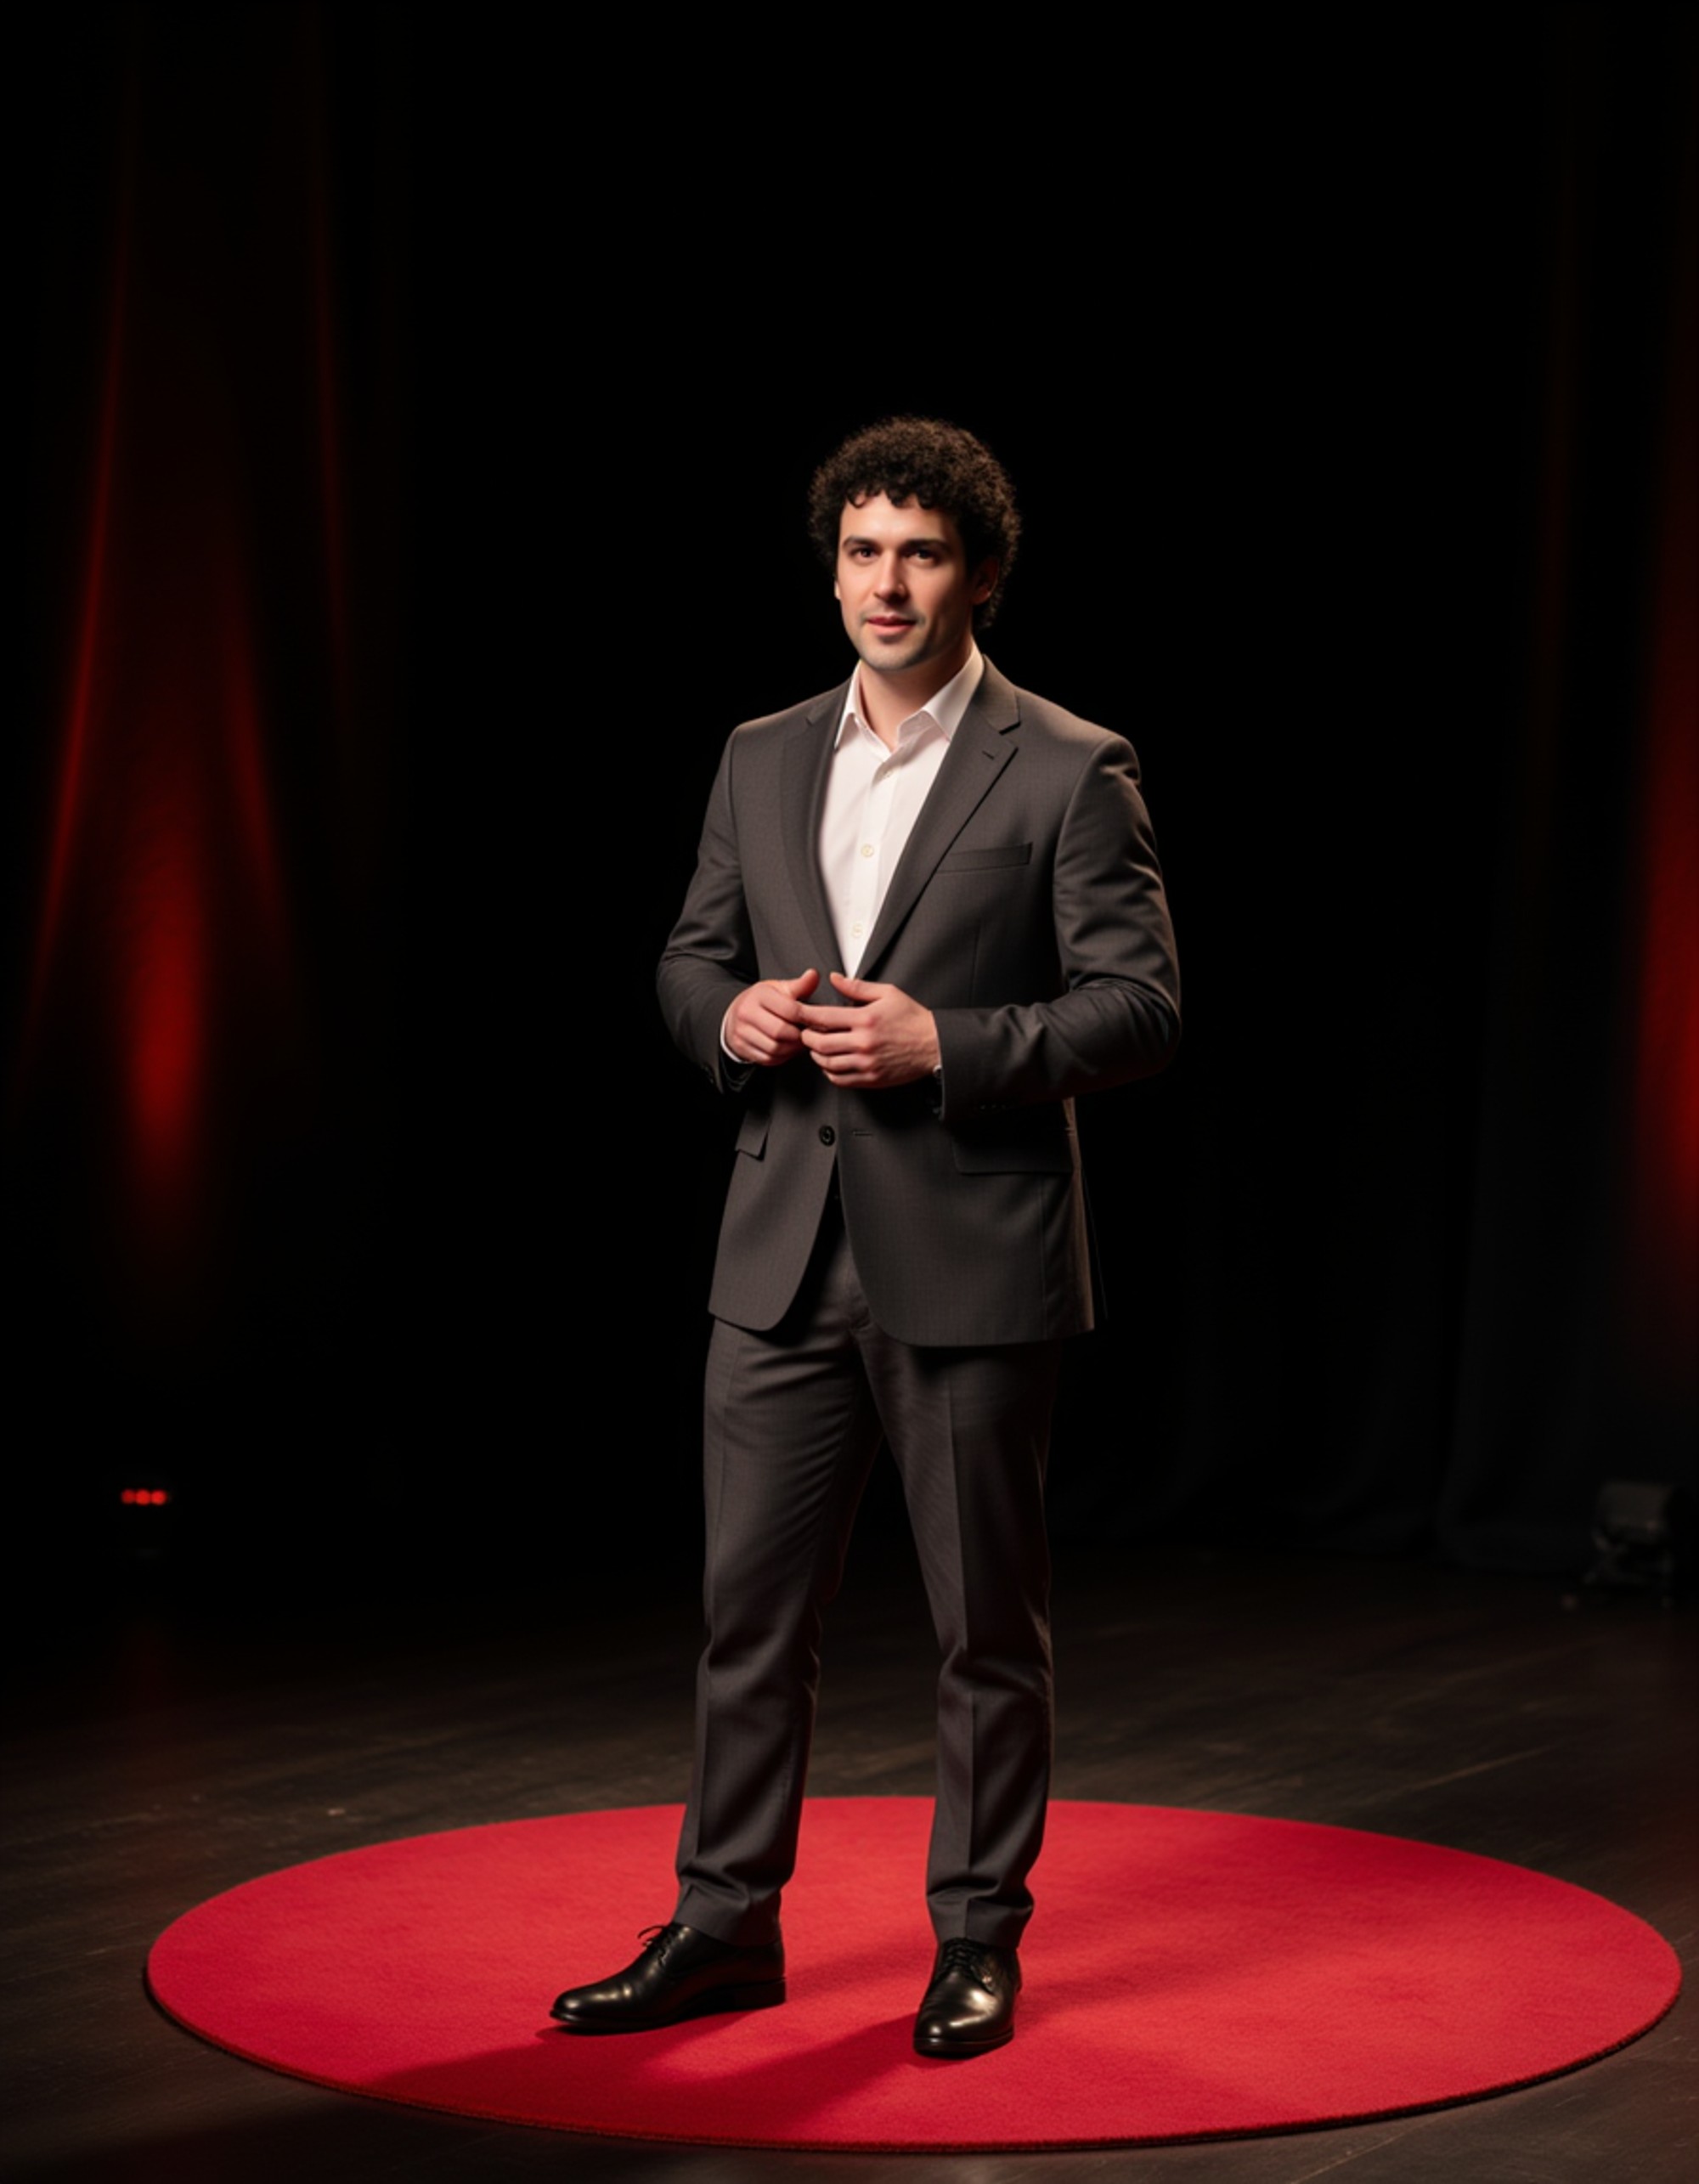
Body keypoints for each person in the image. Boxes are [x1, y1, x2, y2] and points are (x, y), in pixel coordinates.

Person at [551, 417, 1180, 2057]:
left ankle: (978, 1939)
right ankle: (722, 1925)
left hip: (971, 1252)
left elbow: (1140, 1007)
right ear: (831, 568)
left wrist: (949, 1049)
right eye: (860, 552)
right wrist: (728, 1013)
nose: (884, 583)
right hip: (776, 1252)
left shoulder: (1068, 761)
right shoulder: (760, 752)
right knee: (747, 1614)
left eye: (918, 553)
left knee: (984, 1626)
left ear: (978, 573)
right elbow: (688, 957)